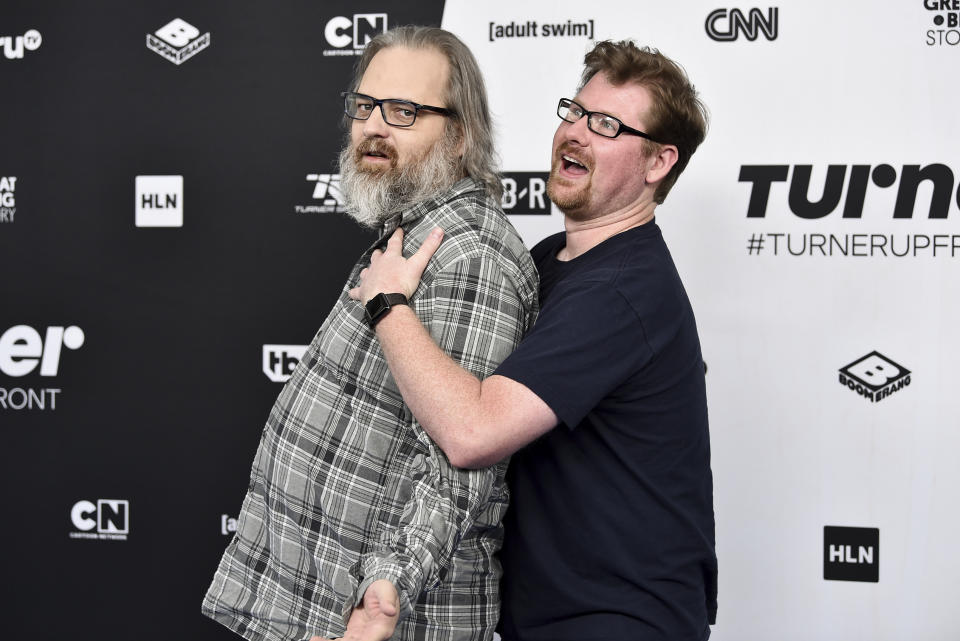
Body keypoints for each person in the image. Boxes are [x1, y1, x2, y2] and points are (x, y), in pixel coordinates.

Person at [350, 40, 717, 641]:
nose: (575, 133)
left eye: (606, 125)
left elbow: (473, 433)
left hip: (619, 623)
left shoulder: (623, 291)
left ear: (658, 164)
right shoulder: (551, 260)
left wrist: (389, 302)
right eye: (574, 112)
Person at [202, 26, 538, 641]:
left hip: (386, 621)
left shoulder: (468, 257)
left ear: (460, 134)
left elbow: (458, 456)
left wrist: (387, 587)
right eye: (366, 106)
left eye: (405, 112)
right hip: (327, 604)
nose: (374, 126)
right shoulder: (411, 233)